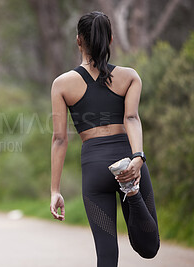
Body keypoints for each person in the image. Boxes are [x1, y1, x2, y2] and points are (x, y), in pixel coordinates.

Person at [49, 11, 160, 267]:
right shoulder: (130, 77)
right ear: (110, 39)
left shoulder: (62, 84)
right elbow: (131, 118)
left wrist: (55, 190)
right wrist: (138, 158)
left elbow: (59, 139)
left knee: (107, 256)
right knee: (149, 247)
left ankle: (130, 190)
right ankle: (130, 191)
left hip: (94, 168)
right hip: (128, 162)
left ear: (78, 41)